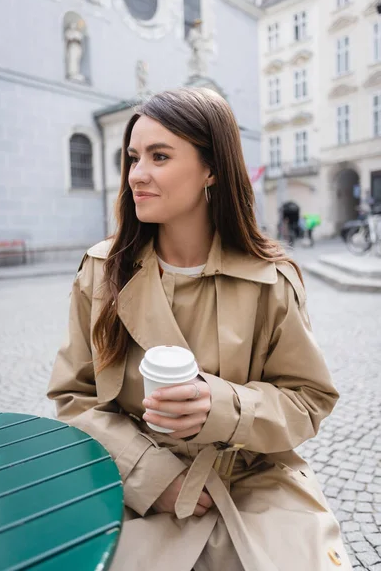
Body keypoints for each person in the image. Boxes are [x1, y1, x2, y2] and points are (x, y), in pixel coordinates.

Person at [47, 88, 352, 571]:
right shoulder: (102, 273)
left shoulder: (270, 280)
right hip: (133, 490)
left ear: (211, 169)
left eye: (160, 156)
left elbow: (307, 398)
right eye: (133, 157)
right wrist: (150, 475)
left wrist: (225, 407)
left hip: (256, 483)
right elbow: (74, 399)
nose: (136, 175)